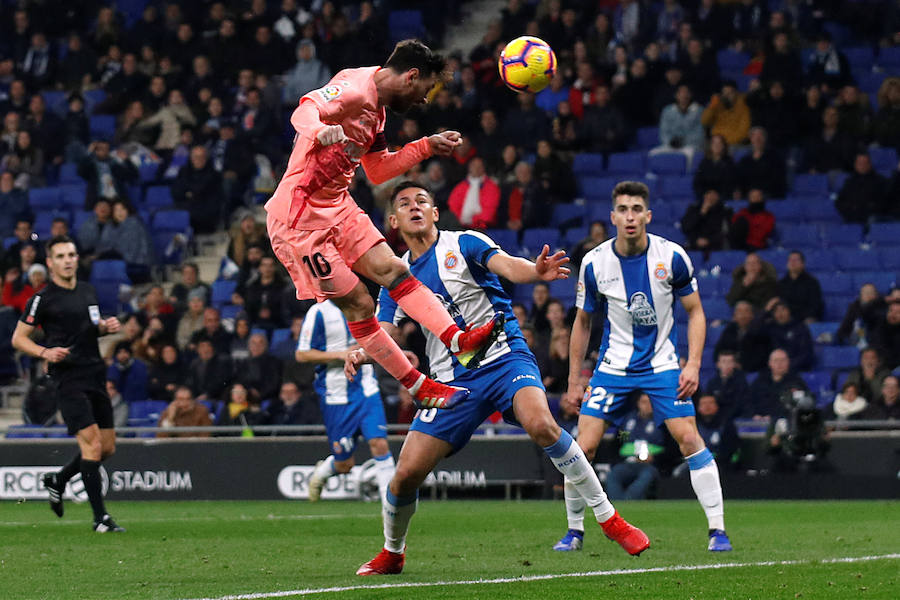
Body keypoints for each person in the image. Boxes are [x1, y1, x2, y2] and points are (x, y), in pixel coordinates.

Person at [350, 181, 648, 576]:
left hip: (504, 358)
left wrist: (535, 271)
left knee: (542, 423)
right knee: (405, 476)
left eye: (423, 200)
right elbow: (382, 330)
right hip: (451, 380)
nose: (415, 207)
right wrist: (361, 351)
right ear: (393, 221)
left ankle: (610, 519)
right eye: (405, 203)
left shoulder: (465, 243)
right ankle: (393, 552)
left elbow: (509, 266)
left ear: (436, 212)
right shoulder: (396, 274)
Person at [264, 39, 503, 411]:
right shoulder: (355, 89)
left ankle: (460, 342)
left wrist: (425, 146)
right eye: (426, 90)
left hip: (338, 205)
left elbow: (376, 171)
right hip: (299, 223)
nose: (425, 100)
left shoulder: (376, 112)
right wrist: (319, 131)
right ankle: (418, 386)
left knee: (395, 269)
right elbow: (305, 109)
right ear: (411, 77)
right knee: (360, 304)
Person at [561, 181, 732, 553]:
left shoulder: (671, 257)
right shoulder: (594, 262)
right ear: (613, 217)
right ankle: (574, 531)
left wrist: (694, 365)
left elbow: (696, 312)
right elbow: (582, 322)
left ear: (648, 216)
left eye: (637, 209)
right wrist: (575, 381)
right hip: (613, 366)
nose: (630, 216)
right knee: (582, 447)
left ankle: (717, 530)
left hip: (662, 364)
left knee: (688, 438)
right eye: (623, 209)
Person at [11, 235, 125, 532]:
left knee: (108, 447)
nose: (68, 260)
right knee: (92, 445)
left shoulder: (88, 291)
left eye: (71, 254)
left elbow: (88, 329)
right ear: (50, 263)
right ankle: (101, 519)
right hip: (68, 377)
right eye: (61, 256)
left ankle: (58, 479)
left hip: (95, 372)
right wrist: (45, 352)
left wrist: (104, 328)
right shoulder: (42, 298)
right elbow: (18, 338)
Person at [295, 299, 395, 502]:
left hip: (367, 389)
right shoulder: (319, 312)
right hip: (336, 395)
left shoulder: (363, 304)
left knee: (379, 443)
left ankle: (391, 503)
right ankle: (322, 472)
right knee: (345, 464)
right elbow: (302, 354)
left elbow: (378, 337)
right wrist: (340, 354)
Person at [605, 393, 665, 500]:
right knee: (613, 475)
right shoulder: (628, 421)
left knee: (646, 476)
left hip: (650, 465)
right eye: (644, 402)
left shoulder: (662, 423)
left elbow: (670, 447)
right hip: (627, 463)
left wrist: (656, 458)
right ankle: (617, 504)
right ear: (638, 404)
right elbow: (618, 442)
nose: (648, 405)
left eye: (650, 402)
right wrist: (618, 460)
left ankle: (627, 504)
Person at [776, 251, 824, 324]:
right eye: (790, 260)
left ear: (803, 264)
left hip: (804, 318)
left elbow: (815, 306)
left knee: (809, 322)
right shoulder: (781, 283)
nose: (792, 262)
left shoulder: (812, 282)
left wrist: (801, 316)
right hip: (786, 318)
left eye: (796, 260)